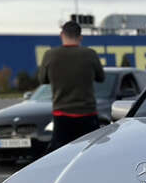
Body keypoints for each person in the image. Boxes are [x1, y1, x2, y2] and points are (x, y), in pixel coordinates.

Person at [39, 20, 105, 151]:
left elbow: (43, 80)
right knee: (90, 151)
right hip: (88, 114)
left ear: (61, 35)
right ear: (80, 37)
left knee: (62, 153)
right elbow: (101, 78)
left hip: (62, 115)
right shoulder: (90, 54)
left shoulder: (50, 55)